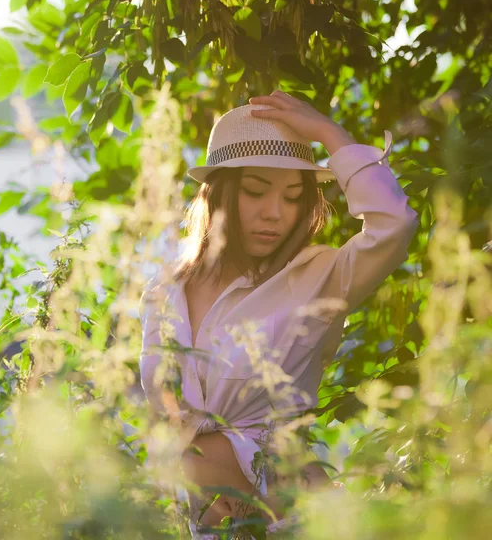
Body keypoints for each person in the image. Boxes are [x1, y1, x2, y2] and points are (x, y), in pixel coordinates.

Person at [138, 91, 419, 538]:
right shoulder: (165, 290)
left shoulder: (320, 279)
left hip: (293, 521)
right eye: (255, 192)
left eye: (292, 197)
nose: (274, 214)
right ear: (219, 194)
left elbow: (394, 224)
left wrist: (332, 136)